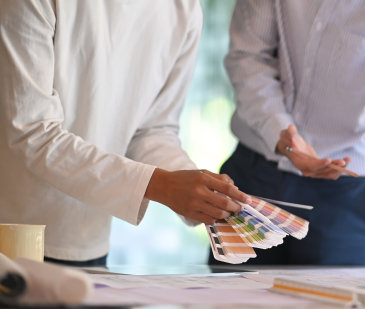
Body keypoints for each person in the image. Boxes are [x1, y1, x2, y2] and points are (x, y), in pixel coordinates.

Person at [211, 0, 365, 266]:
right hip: (255, 172)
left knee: (333, 306)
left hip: (346, 193)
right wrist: (279, 131)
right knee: (231, 300)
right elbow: (249, 58)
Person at [0, 0, 249, 267]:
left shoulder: (184, 10)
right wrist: (162, 185)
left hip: (89, 241)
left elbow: (152, 131)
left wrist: (200, 193)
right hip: (11, 234)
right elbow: (33, 133)